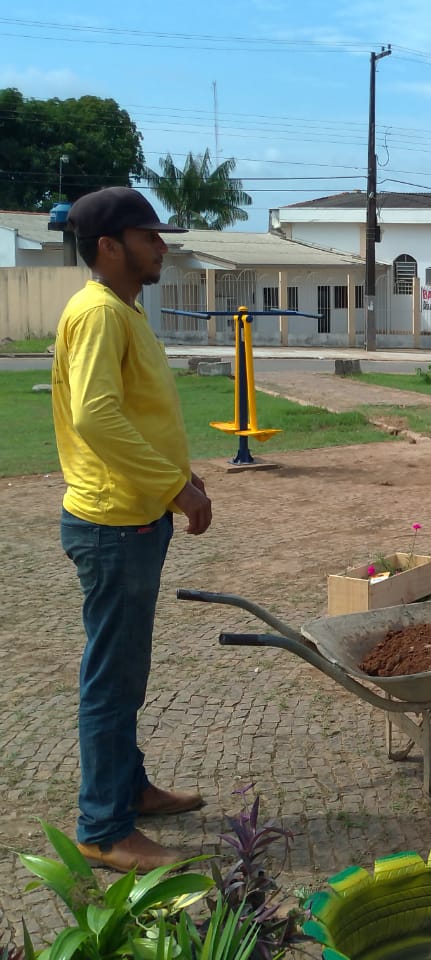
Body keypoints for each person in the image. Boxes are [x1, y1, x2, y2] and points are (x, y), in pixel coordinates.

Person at [53, 187, 214, 872]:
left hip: (132, 517)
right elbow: (95, 417)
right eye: (149, 236)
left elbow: (129, 412)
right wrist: (175, 486)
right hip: (115, 523)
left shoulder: (120, 310)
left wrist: (176, 479)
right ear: (108, 247)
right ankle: (103, 826)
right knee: (112, 680)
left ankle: (131, 790)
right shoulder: (98, 314)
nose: (162, 246)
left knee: (125, 674)